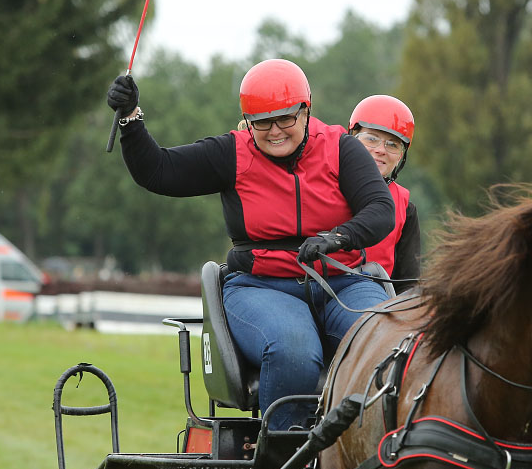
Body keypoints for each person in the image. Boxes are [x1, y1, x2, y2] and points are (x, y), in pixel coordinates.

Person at [106, 58, 395, 430]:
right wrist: (130, 117)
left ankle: (376, 451)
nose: (275, 131)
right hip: (262, 286)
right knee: (294, 351)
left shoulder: (341, 148)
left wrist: (336, 238)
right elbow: (158, 171)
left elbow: (380, 209)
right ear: (248, 121)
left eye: (286, 119)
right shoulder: (232, 153)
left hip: (342, 281)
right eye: (262, 122)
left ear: (306, 111)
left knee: (385, 341)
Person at [347, 95, 421, 291]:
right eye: (371, 139)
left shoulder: (406, 209)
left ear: (400, 157)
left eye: (393, 144)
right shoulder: (321, 187)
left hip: (373, 302)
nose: (381, 150)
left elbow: (408, 282)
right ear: (351, 139)